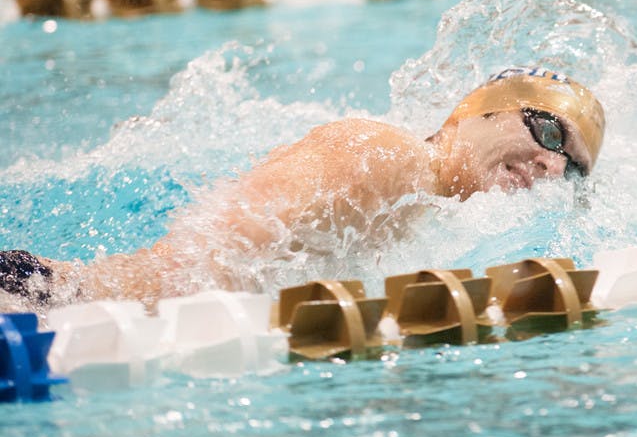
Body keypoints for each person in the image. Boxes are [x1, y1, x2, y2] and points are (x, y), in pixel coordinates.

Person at [0, 66, 605, 311]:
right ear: (479, 113)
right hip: (47, 295)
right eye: (550, 131)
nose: (553, 167)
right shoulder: (383, 158)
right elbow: (189, 266)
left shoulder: (425, 208)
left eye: (572, 166)